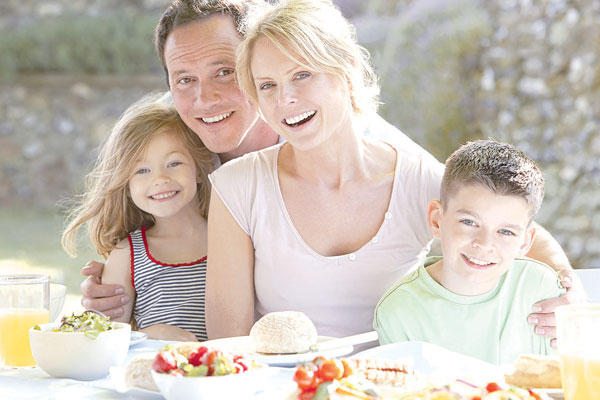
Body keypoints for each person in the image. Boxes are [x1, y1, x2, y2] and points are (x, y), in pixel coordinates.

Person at [80, 0, 582, 342]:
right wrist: (118, 295)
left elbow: (505, 226)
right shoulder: (197, 163)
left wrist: (567, 292)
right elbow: (223, 337)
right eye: (268, 84)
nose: (204, 98)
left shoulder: (404, 170)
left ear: (346, 72)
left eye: (223, 72)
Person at [373, 140, 564, 364]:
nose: (484, 244)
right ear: (436, 220)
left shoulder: (540, 288)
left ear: (525, 242)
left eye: (505, 231)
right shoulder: (399, 312)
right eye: (469, 222)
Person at [62, 93, 216, 341]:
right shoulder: (127, 253)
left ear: (198, 169)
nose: (160, 179)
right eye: (142, 170)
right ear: (126, 184)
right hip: (152, 365)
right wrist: (149, 336)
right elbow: (104, 342)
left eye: (174, 163)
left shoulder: (231, 237)